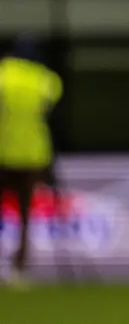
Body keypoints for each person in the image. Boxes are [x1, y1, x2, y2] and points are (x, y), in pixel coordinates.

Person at [0, 34, 63, 287]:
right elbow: (51, 108)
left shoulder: (3, 74)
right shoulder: (46, 79)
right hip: (35, 154)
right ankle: (18, 269)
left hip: (3, 152)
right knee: (25, 215)